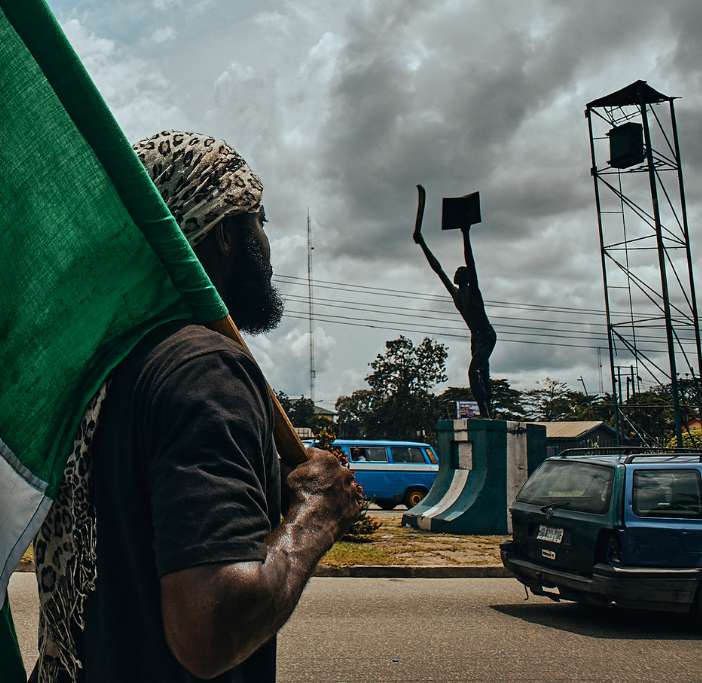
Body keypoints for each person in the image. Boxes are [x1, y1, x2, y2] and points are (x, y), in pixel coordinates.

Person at [29, 131, 359, 683]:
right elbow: (209, 628)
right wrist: (317, 514)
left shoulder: (105, 368)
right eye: (260, 219)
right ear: (227, 230)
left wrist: (266, 486)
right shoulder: (205, 370)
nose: (267, 241)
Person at [412, 193, 497, 419]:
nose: (456, 273)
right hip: (475, 337)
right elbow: (437, 268)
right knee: (483, 374)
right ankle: (489, 410)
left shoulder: (473, 291)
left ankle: (485, 412)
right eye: (456, 272)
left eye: (460, 272)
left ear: (467, 277)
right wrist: (422, 243)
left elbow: (470, 259)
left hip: (487, 335)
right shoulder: (456, 294)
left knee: (474, 372)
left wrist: (465, 233)